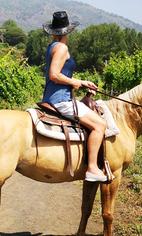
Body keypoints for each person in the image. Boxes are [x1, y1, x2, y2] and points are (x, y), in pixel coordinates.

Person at [42, 11, 109, 182]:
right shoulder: (62, 48)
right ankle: (92, 168)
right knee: (100, 125)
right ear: (67, 31)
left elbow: (59, 74)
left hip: (55, 97)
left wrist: (83, 83)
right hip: (61, 100)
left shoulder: (52, 47)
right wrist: (74, 82)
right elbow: (54, 75)